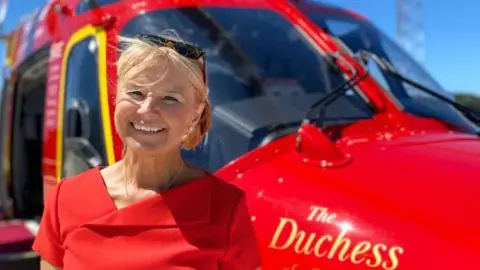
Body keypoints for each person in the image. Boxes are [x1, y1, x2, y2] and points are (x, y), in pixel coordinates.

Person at [32, 31, 262, 270]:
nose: (147, 109)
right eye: (135, 93)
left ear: (195, 113)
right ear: (116, 97)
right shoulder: (65, 199)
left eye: (170, 98)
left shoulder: (225, 207)